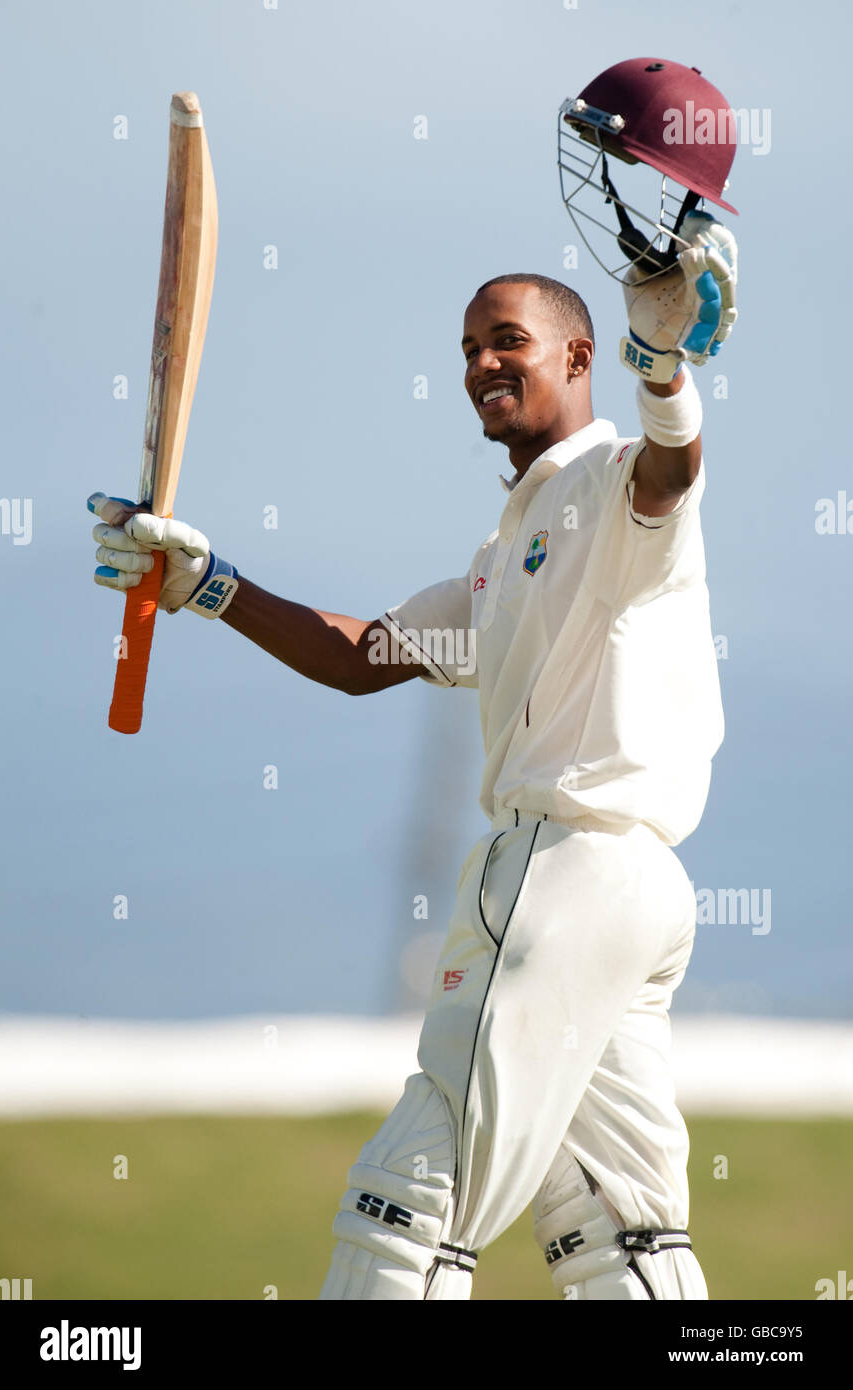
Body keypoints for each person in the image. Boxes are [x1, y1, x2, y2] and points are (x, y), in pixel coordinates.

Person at [89, 240, 734, 1299]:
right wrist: (202, 581)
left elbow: (673, 472)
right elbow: (360, 656)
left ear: (579, 357)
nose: (482, 362)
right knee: (621, 1229)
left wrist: (663, 371)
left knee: (405, 1205)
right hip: (637, 898)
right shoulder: (502, 559)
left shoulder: (614, 490)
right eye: (470, 347)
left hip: (563, 873)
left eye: (508, 342)